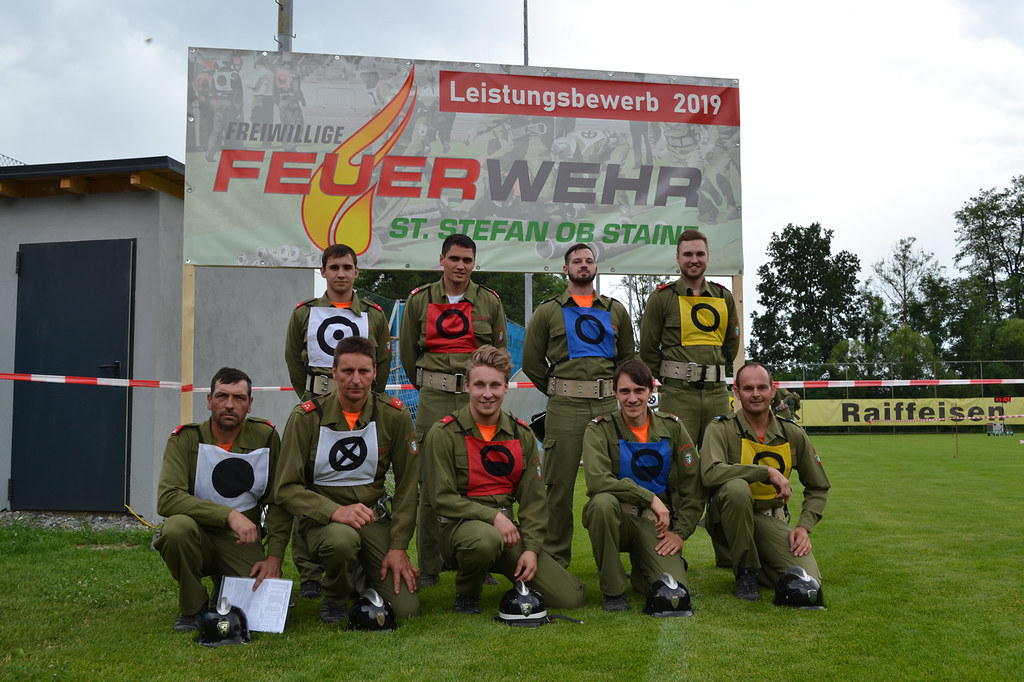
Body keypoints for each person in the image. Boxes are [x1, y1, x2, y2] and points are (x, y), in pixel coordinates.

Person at [424, 346, 586, 614]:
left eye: (495, 385)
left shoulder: (521, 434)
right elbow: (440, 498)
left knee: (570, 598)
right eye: (480, 385)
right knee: (485, 540)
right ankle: (468, 593)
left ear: (506, 387)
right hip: (461, 532)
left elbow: (534, 502)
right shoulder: (443, 433)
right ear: (467, 386)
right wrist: (493, 517)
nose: (487, 393)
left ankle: (509, 565)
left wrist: (531, 548)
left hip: (508, 532)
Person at [275, 336, 420, 623]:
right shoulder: (305, 418)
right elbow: (286, 489)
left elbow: (407, 486)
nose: (356, 380)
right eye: (347, 371)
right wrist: (334, 511)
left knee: (406, 609)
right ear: (334, 372)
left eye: (364, 371)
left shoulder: (394, 415)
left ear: (375, 372)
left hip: (373, 519)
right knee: (342, 541)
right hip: (323, 523)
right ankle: (335, 597)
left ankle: (361, 574)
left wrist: (398, 547)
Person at [399, 234, 507, 587]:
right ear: (442, 259)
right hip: (434, 398)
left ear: (474, 263)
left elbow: (500, 355)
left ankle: (479, 561)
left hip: (478, 401)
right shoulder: (419, 300)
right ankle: (430, 567)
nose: (461, 266)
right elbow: (408, 355)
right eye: (455, 258)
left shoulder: (489, 302)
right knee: (430, 481)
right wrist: (433, 385)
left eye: (467, 260)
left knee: (481, 479)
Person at [284, 243, 391, 599]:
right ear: (323, 272)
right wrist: (312, 398)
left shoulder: (374, 315)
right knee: (310, 481)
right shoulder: (304, 314)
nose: (341, 274)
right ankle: (310, 573)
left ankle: (356, 562)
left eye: (347, 267)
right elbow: (293, 360)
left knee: (352, 473)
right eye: (334, 267)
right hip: (318, 405)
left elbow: (383, 363)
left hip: (361, 405)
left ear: (357, 272)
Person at [522, 242, 635, 568]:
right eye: (577, 261)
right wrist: (559, 390)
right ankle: (556, 561)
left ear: (596, 268)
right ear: (565, 269)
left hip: (607, 408)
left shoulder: (616, 311)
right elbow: (531, 362)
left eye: (589, 260)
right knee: (557, 487)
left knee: (615, 483)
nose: (583, 265)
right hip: (564, 409)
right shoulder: (548, 311)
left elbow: (627, 361)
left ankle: (617, 560)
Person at [154, 367, 289, 632]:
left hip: (241, 541)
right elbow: (168, 498)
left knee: (270, 612)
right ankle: (193, 608)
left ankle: (224, 581)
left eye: (239, 398)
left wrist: (274, 558)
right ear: (209, 400)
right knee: (176, 529)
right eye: (221, 396)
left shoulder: (266, 437)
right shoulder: (185, 439)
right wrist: (228, 515)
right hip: (196, 533)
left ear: (250, 404)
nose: (229, 404)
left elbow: (278, 500)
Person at [701, 361, 830, 601]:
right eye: (748, 388)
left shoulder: (792, 433)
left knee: (806, 581)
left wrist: (803, 527)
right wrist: (765, 472)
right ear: (737, 392)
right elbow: (710, 473)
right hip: (728, 518)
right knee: (737, 488)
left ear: (773, 390)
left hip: (770, 520)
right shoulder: (720, 428)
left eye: (762, 387)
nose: (756, 394)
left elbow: (818, 486)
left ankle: (750, 560)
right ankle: (746, 573)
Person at [581, 359, 704, 611]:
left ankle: (644, 569)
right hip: (617, 520)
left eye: (639, 390)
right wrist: (649, 497)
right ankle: (614, 592)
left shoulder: (672, 426)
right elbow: (597, 480)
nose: (632, 398)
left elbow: (694, 483)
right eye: (625, 391)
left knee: (674, 593)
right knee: (601, 503)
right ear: (615, 393)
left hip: (655, 525)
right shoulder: (599, 429)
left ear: (651, 391)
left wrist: (680, 533)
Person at [639, 229, 740, 449]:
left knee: (723, 457)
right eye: (687, 254)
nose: (694, 260)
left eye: (699, 254)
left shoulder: (724, 297)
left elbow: (732, 345)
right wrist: (673, 378)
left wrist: (713, 371)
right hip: (677, 394)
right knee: (676, 461)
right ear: (678, 258)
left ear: (708, 256)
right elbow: (647, 349)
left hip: (717, 394)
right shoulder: (661, 298)